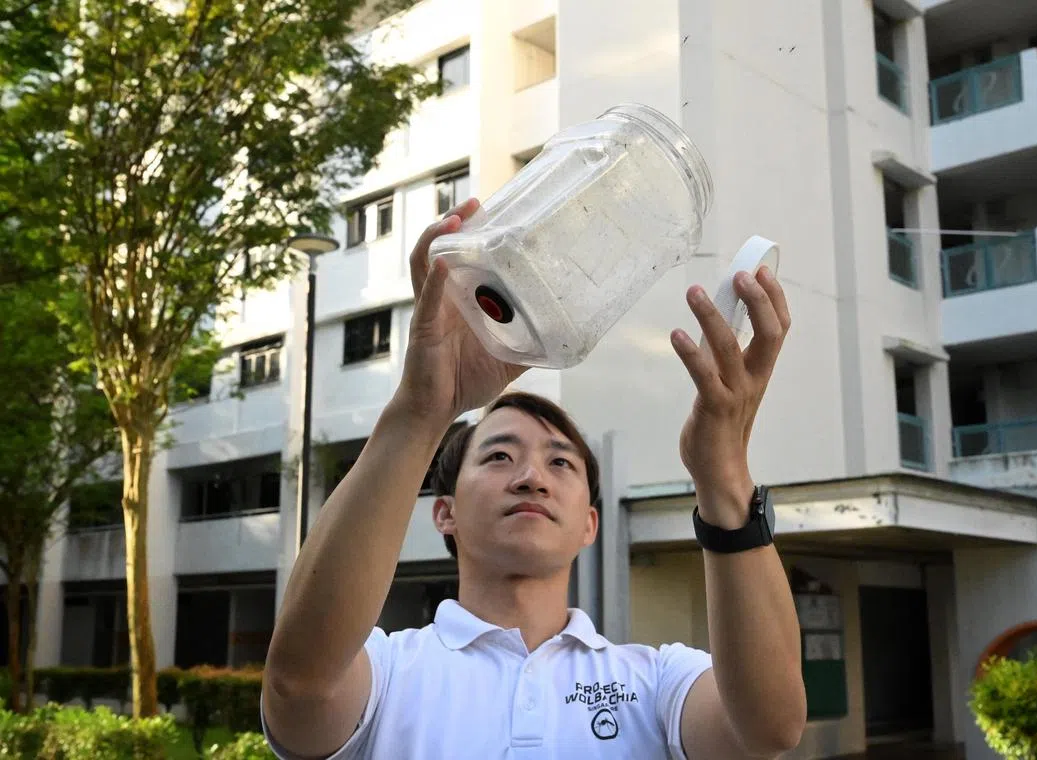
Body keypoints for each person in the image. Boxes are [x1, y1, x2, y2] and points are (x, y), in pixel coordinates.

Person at [262, 198, 807, 759]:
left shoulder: (656, 682)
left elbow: (769, 729)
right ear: (444, 511)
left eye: (560, 462)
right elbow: (299, 687)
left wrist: (723, 476)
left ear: (590, 524)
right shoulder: (387, 672)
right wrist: (423, 410)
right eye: (499, 456)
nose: (531, 477)